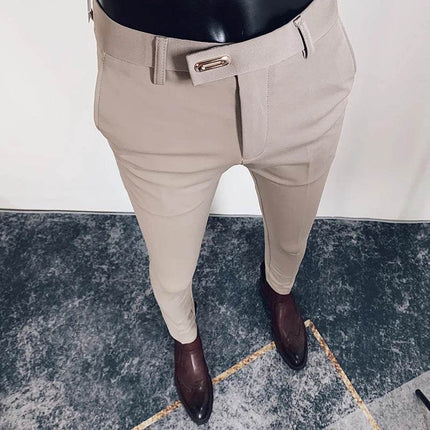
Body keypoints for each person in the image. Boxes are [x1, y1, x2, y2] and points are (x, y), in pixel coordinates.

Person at [89, 0, 357, 424]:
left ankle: (278, 288)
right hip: (156, 82)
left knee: (292, 237)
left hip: (299, 61)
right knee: (171, 270)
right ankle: (185, 337)